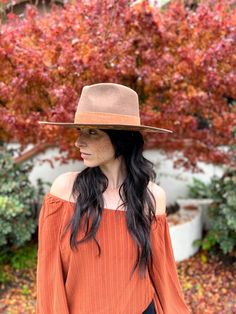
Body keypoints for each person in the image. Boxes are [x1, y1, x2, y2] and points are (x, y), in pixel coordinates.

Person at [37, 83, 190, 314]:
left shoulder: (152, 197)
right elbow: (50, 274)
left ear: (123, 137)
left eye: (92, 132)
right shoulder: (65, 191)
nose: (79, 142)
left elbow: (162, 273)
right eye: (80, 131)